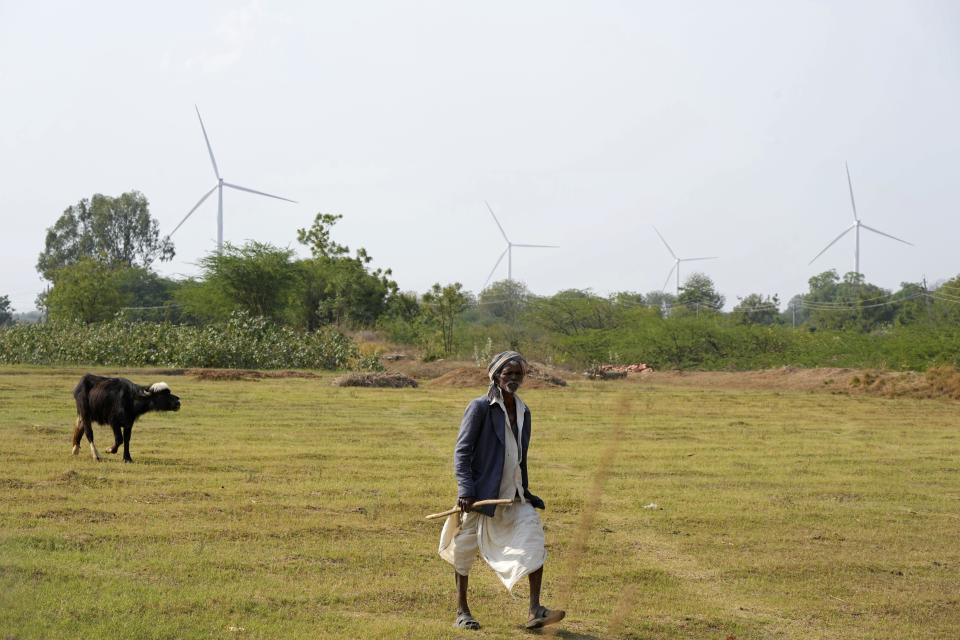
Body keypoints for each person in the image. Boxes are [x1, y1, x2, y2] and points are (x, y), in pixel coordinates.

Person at [438, 350, 565, 630]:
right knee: (463, 551)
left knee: (533, 541)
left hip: (515, 494)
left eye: (519, 374)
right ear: (496, 376)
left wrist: (526, 490)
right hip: (481, 495)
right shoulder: (480, 407)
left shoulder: (523, 411)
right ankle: (462, 612)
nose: (515, 379)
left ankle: (536, 610)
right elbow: (462, 452)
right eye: (509, 374)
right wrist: (466, 490)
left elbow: (520, 455)